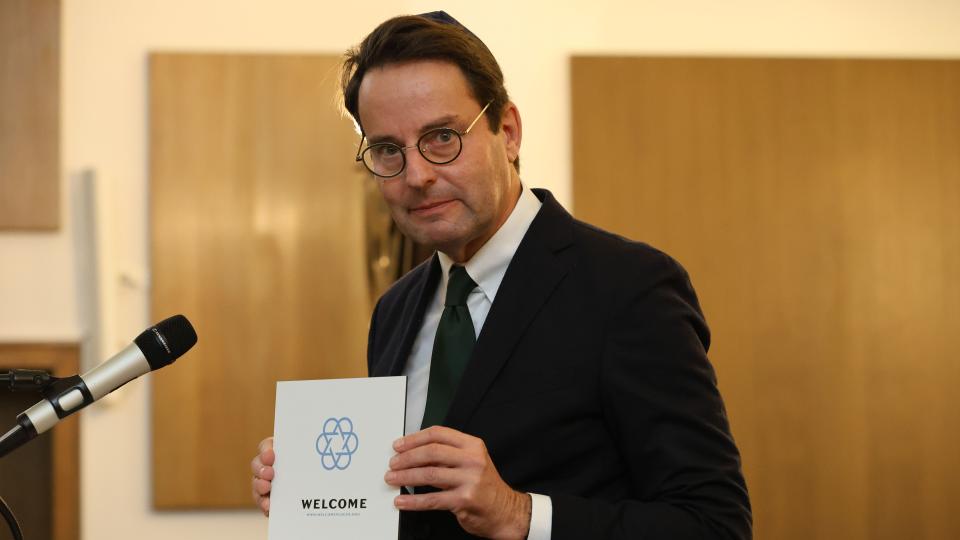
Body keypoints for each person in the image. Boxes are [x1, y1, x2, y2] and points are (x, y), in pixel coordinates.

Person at [251, 11, 751, 540]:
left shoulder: (629, 287)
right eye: (387, 150)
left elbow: (714, 524)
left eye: (442, 136)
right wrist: (318, 490)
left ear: (507, 132)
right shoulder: (394, 310)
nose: (417, 175)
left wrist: (520, 514)